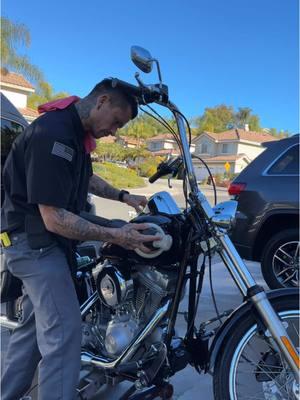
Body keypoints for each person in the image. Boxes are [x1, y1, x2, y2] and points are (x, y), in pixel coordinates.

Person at [1, 79, 160, 400]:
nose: (114, 131)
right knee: (64, 335)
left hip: (42, 240)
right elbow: (54, 218)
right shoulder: (53, 132)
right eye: (116, 121)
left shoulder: (72, 132)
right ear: (102, 101)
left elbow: (84, 177)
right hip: (33, 245)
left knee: (32, 332)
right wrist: (118, 235)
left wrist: (123, 196)